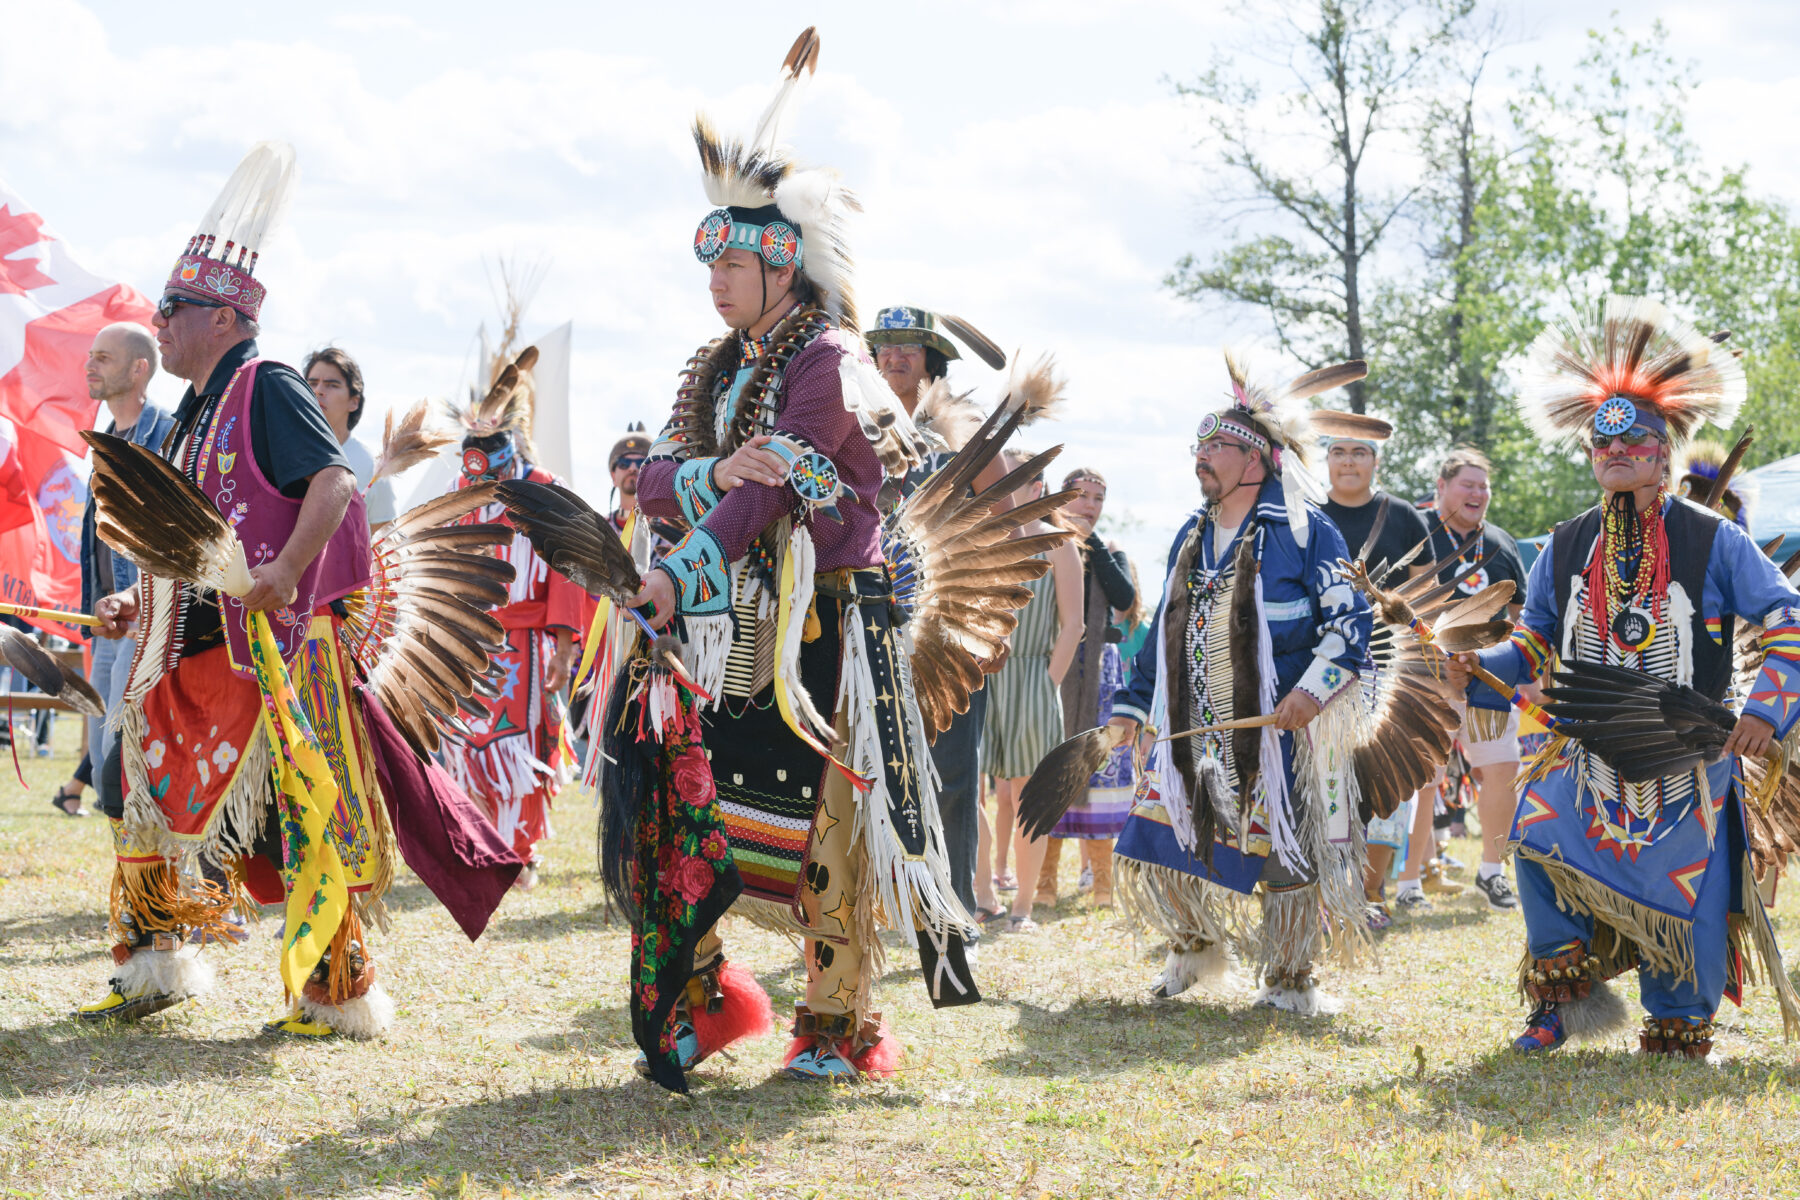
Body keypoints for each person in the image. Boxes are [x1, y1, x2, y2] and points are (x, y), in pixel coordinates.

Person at [613, 29, 984, 1089]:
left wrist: (677, 557)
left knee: (827, 824)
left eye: (732, 261)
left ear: (782, 259)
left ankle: (835, 1024)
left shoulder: (828, 360)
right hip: (727, 624)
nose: (716, 281)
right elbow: (659, 474)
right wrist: (703, 481)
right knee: (690, 808)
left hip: (823, 621)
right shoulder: (720, 364)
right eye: (712, 261)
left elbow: (771, 489)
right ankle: (704, 1004)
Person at [73, 142, 396, 1037]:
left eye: (171, 310)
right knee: (142, 777)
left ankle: (337, 990)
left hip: (277, 649)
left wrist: (284, 573)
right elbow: (183, 545)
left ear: (220, 318)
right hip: (196, 645)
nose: (160, 324)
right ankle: (157, 962)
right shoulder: (189, 421)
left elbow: (331, 483)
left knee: (301, 810)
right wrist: (137, 603)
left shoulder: (265, 385)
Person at [1449, 296, 1800, 1057]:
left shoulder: (1714, 540)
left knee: (1687, 901)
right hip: (1587, 751)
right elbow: (1537, 645)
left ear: (1664, 451)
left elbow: (1790, 618)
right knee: (1537, 839)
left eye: (1632, 440)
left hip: (1688, 758)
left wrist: (1766, 713)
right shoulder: (1570, 543)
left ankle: (1677, 1024)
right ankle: (1561, 1004)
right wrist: (1481, 664)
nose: (1613, 453)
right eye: (1600, 444)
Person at [1107, 353, 1374, 1013]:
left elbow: (1351, 622)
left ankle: (1289, 979)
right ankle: (1193, 948)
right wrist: (1132, 707)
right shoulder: (1192, 533)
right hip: (1193, 725)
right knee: (1158, 841)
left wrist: (1311, 691)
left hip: (1280, 725)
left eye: (1216, 446)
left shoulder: (1308, 532)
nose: (1201, 456)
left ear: (1255, 459)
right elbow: (1165, 632)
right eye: (1198, 445)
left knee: (1286, 855)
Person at [865, 303, 1012, 922]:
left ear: (932, 359)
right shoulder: (852, 427)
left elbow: (1006, 528)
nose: (894, 356)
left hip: (950, 624)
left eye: (908, 346)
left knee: (952, 773)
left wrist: (995, 619)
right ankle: (872, 901)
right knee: (868, 768)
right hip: (865, 618)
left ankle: (951, 906)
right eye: (884, 346)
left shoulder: (963, 434)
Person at [439, 344, 584, 890]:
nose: (479, 455)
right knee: (466, 743)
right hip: (469, 641)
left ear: (511, 439)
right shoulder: (459, 494)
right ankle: (479, 843)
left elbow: (569, 570)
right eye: (471, 446)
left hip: (529, 641)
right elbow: (442, 568)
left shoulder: (545, 491)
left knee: (522, 745)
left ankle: (519, 851)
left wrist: (565, 645)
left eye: (490, 444)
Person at [1393, 448, 1527, 915]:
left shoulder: (1501, 543)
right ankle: (1409, 881)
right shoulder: (1417, 533)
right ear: (1441, 487)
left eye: (1483, 486)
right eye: (1467, 484)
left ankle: (1493, 870)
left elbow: (1518, 616)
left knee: (1503, 770)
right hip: (1427, 678)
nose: (1477, 493)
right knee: (1422, 780)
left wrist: (1519, 667)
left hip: (1488, 679)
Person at [1315, 413, 1432, 928]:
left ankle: (1370, 892)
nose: (1348, 461)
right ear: (1326, 460)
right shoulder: (1307, 516)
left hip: (1391, 669)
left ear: (1375, 462)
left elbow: (1427, 593)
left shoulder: (1402, 515)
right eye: (1339, 451)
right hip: (1318, 667)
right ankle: (1318, 893)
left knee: (1386, 778)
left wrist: (1429, 664)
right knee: (1322, 779)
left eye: (1359, 453)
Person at [70, 323, 174, 817]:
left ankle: (157, 882)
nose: (90, 365)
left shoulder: (168, 435)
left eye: (103, 358)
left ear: (139, 369)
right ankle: (135, 880)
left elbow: (177, 541)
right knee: (103, 762)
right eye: (91, 356)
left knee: (129, 764)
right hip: (108, 627)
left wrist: (139, 599)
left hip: (147, 625)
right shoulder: (105, 441)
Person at [978, 462, 1082, 930]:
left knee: (1028, 798)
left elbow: (1074, 625)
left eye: (1015, 478)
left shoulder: (1059, 545)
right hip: (979, 677)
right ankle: (982, 895)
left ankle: (1023, 906)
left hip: (1034, 678)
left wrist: (1048, 683)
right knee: (970, 792)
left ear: (1038, 487)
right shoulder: (983, 537)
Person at [1037, 468, 1136, 909]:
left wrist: (1091, 542)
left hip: (1100, 674)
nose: (1090, 505)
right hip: (1053, 671)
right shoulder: (1041, 543)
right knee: (1050, 769)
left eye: (1099, 497)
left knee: (1099, 773)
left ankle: (1101, 887)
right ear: (1059, 498)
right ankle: (1042, 885)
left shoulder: (1108, 550)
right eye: (1081, 496)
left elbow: (1123, 598)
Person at [304, 346, 397, 527]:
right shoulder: (282, 452)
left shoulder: (374, 467)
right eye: (312, 383)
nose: (319, 391)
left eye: (332, 385)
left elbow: (383, 543)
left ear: (354, 401)